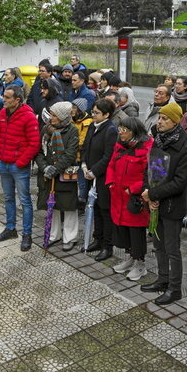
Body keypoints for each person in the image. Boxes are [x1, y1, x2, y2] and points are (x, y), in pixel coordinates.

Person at [141, 102, 187, 304]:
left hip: (172, 205)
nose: (159, 121)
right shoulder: (159, 140)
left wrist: (153, 194)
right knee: (158, 244)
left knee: (172, 249)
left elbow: (180, 183)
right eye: (159, 117)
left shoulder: (185, 148)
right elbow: (150, 169)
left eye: (164, 118)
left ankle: (175, 288)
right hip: (155, 201)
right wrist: (149, 193)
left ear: (175, 121)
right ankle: (162, 280)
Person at [0, 84, 41, 251]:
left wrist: (20, 162)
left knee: (25, 201)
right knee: (8, 198)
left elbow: (34, 143)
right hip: (4, 164)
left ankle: (27, 234)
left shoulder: (28, 117)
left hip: (18, 166)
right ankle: (10, 228)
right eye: (3, 96)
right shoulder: (2, 113)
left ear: (17, 100)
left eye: (7, 98)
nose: (3, 100)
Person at [107, 118, 153, 281]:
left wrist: (133, 189)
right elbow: (111, 165)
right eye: (120, 129)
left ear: (134, 131)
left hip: (134, 199)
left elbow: (151, 175)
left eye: (124, 130)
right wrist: (111, 182)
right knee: (123, 230)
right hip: (118, 196)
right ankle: (130, 258)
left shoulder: (147, 148)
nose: (121, 133)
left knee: (136, 232)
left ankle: (140, 264)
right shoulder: (119, 146)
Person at [36, 102, 80, 252]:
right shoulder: (45, 129)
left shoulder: (72, 130)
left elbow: (70, 154)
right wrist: (45, 167)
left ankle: (70, 237)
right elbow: (39, 151)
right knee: (51, 204)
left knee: (68, 205)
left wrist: (55, 169)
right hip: (48, 174)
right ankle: (54, 235)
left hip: (65, 174)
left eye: (54, 115)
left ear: (62, 117)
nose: (51, 117)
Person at [81, 99, 118, 260]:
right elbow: (85, 147)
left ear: (106, 114)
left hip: (103, 178)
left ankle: (107, 246)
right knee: (94, 208)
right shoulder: (92, 125)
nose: (93, 115)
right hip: (89, 174)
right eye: (93, 112)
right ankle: (98, 238)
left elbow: (108, 156)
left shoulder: (110, 130)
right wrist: (83, 164)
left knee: (105, 210)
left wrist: (94, 171)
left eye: (96, 113)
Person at [72, 99, 93, 210]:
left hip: (81, 157)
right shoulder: (73, 120)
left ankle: (81, 203)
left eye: (74, 108)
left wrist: (71, 143)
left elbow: (82, 140)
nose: (72, 110)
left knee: (82, 182)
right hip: (73, 156)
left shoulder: (87, 122)